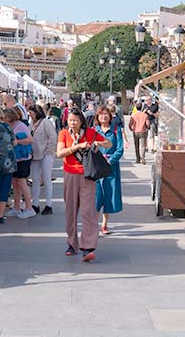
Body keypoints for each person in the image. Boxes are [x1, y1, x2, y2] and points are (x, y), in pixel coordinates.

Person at [57, 107, 111, 262]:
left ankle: (88, 246)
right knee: (71, 210)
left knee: (88, 211)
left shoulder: (90, 133)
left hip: (87, 174)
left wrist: (99, 144)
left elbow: (108, 143)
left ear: (81, 121)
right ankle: (71, 243)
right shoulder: (64, 133)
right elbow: (60, 153)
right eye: (70, 120)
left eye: (75, 120)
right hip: (70, 173)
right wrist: (77, 146)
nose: (72, 123)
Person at [94, 106, 125, 235]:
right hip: (96, 167)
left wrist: (110, 160)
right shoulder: (94, 131)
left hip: (111, 167)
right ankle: (94, 225)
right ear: (98, 117)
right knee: (96, 195)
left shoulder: (116, 130)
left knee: (109, 193)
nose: (104, 117)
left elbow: (120, 149)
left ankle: (104, 224)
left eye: (106, 114)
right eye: (101, 114)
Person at [5, 107, 36, 219]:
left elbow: (30, 139)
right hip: (15, 159)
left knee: (22, 183)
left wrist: (18, 142)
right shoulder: (13, 126)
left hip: (23, 159)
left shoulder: (20, 126)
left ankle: (29, 207)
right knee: (15, 184)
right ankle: (16, 207)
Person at [29, 104, 57, 215]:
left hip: (46, 155)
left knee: (46, 179)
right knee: (35, 179)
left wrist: (48, 151)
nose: (29, 115)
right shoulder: (31, 124)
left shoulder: (45, 122)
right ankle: (35, 203)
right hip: (35, 155)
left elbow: (53, 137)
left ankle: (48, 204)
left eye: (31, 112)